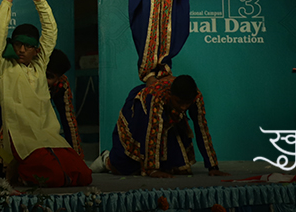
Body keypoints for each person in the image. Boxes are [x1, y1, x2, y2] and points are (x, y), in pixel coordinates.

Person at [0, 0, 92, 187]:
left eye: (27, 46)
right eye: (18, 44)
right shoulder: (4, 66)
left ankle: (21, 171)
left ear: (36, 50)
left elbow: (50, 29)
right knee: (52, 178)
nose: (21, 50)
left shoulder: (39, 65)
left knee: (83, 175)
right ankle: (17, 170)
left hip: (49, 136)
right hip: (24, 140)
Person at [94, 74, 228, 179]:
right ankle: (106, 160)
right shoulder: (156, 97)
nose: (183, 107)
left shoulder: (196, 97)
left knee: (176, 168)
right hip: (141, 115)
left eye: (187, 104)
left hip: (168, 120)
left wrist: (213, 166)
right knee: (126, 165)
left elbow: (202, 128)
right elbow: (152, 131)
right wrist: (152, 170)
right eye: (179, 102)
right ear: (171, 95)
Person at [46, 49, 83, 158]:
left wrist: (77, 158)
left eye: (50, 77)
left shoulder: (61, 84)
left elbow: (69, 121)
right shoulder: (26, 79)